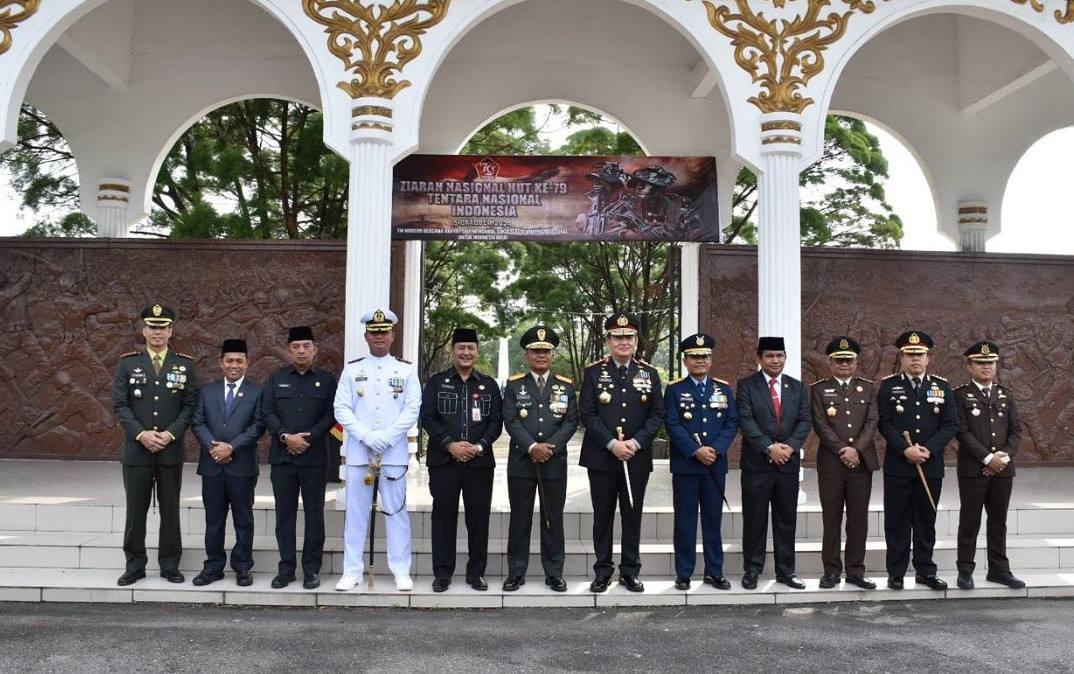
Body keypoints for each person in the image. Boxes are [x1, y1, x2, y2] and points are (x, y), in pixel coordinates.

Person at [333, 309, 421, 592]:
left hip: (393, 454)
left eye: (384, 332)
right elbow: (341, 408)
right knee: (356, 514)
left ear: (393, 336)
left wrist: (386, 438)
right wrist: (367, 436)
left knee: (396, 513)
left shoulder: (406, 370)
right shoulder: (352, 370)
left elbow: (412, 409)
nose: (379, 336)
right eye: (374, 332)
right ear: (366, 336)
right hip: (360, 453)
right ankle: (352, 571)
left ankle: (400, 570)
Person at [110, 303, 198, 586]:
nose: (157, 332)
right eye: (152, 327)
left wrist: (170, 434)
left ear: (171, 331)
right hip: (137, 450)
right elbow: (120, 404)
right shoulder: (128, 363)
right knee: (135, 511)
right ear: (144, 331)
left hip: (170, 450)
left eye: (163, 327)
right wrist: (141, 434)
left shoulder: (185, 364)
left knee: (170, 510)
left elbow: (190, 405)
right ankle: (134, 565)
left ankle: (170, 565)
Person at [578, 312, 664, 593]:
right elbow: (588, 414)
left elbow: (657, 414)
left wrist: (635, 443)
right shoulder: (593, 372)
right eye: (617, 337)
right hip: (601, 457)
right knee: (602, 517)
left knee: (632, 515)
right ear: (608, 341)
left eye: (629, 337)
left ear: (636, 340)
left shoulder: (649, 373)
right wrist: (612, 444)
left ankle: (630, 571)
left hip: (636, 459)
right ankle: (603, 571)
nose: (623, 341)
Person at [420, 327, 502, 592]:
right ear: (452, 350)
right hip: (444, 462)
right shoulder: (436, 382)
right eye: (461, 348)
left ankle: (476, 573)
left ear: (477, 351)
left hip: (479, 464)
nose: (466, 353)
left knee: (478, 519)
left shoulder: (489, 384)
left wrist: (478, 447)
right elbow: (428, 417)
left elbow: (496, 422)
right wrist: (450, 445)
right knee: (443, 518)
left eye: (471, 348)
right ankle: (442, 573)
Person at [877, 330, 958, 591]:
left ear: (928, 359)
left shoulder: (942, 387)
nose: (915, 359)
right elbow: (884, 423)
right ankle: (896, 572)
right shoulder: (888, 386)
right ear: (902, 358)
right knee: (897, 521)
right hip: (898, 466)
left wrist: (928, 450)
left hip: (930, 466)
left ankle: (925, 570)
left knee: (925, 520)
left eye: (919, 355)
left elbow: (950, 424)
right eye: (910, 354)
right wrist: (905, 450)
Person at [501, 325, 579, 593]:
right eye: (536, 351)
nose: (541, 355)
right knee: (520, 519)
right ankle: (516, 573)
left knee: (553, 519)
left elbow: (571, 421)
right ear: (527, 355)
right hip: (522, 462)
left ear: (553, 355)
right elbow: (510, 420)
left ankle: (554, 573)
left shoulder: (565, 385)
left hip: (553, 462)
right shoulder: (514, 385)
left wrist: (549, 448)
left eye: (546, 351)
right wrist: (533, 446)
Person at [262, 326, 337, 590]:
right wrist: (286, 437)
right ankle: (286, 569)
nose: (301, 351)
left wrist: (308, 438)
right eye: (296, 347)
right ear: (288, 350)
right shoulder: (276, 378)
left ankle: (311, 569)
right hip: (283, 459)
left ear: (315, 350)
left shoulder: (327, 380)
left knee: (314, 516)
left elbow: (332, 414)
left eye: (306, 346)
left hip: (314, 459)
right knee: (284, 516)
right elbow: (267, 412)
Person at [664, 333, 738, 591]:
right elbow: (672, 424)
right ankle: (684, 573)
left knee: (712, 520)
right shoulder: (674, 389)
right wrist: (696, 451)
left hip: (714, 465)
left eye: (704, 356)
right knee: (685, 521)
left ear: (711, 359)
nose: (700, 360)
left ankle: (714, 572)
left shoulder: (723, 389)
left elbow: (731, 423)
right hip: (686, 466)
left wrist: (715, 450)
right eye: (694, 356)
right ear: (685, 361)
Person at [736, 336, 811, 590]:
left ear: (785, 358)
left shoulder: (797, 387)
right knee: (754, 518)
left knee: (786, 519)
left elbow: (804, 420)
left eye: (779, 355)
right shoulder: (747, 385)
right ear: (759, 359)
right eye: (769, 356)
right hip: (757, 464)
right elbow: (745, 420)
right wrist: (769, 447)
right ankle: (752, 570)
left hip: (787, 463)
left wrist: (789, 447)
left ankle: (786, 571)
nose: (775, 360)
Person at [190, 338, 264, 587]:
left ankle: (243, 566)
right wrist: (215, 447)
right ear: (220, 363)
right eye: (229, 361)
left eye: (239, 361)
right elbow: (198, 422)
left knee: (243, 519)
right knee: (214, 520)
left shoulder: (256, 392)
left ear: (247, 363)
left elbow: (258, 426)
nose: (234, 365)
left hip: (242, 466)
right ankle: (213, 566)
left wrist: (231, 447)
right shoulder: (207, 391)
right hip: (212, 465)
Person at [953, 340, 1025, 589]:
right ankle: (965, 570)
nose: (986, 367)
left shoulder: (1006, 394)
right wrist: (987, 459)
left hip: (1002, 470)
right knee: (969, 521)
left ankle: (999, 570)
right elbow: (961, 431)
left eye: (990, 362)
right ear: (970, 366)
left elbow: (1016, 431)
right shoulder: (960, 395)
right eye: (980, 363)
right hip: (973, 471)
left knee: (998, 522)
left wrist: (1002, 459)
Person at [809, 336, 879, 590]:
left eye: (849, 360)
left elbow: (872, 421)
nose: (844, 364)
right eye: (839, 360)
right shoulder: (819, 389)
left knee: (858, 518)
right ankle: (831, 571)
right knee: (832, 518)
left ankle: (856, 571)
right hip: (832, 463)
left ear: (856, 362)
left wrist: (856, 449)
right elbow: (820, 424)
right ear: (830, 362)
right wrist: (843, 450)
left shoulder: (868, 388)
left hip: (861, 462)